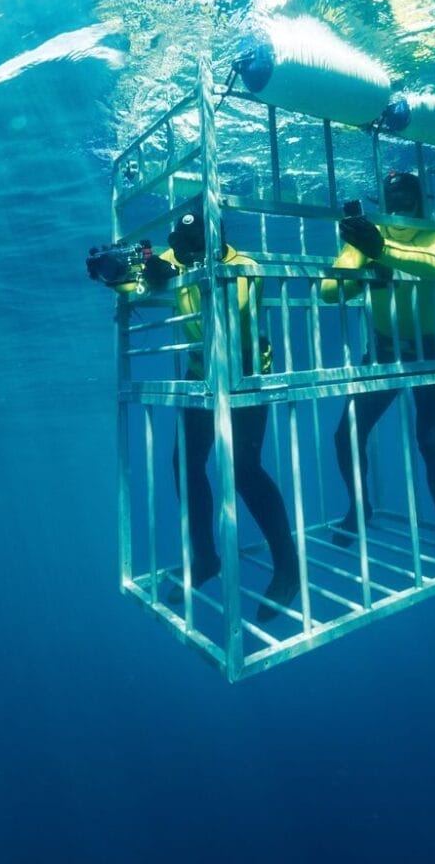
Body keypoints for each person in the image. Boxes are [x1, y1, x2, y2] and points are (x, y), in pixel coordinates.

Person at [104, 210, 301, 622]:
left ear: (216, 240)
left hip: (246, 375)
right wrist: (125, 272)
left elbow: (233, 310)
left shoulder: (245, 267)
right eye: (181, 245)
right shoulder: (181, 256)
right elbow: (132, 280)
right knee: (185, 463)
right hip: (202, 373)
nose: (186, 255)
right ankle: (206, 557)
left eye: (196, 247)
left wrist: (181, 273)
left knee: (245, 469)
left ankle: (287, 569)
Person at [319, 170, 435, 596]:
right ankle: (359, 507)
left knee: (434, 444)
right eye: (392, 197)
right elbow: (328, 292)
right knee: (346, 434)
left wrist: (381, 250)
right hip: (386, 349)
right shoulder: (368, 236)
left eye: (407, 196)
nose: (400, 204)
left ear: (423, 201)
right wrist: (366, 261)